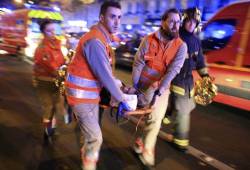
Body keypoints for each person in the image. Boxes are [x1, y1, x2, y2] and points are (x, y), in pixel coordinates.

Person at [64, 1, 132, 170]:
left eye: (119, 17)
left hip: (89, 95)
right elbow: (104, 75)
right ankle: (88, 165)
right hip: (82, 97)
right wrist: (121, 98)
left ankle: (87, 157)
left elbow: (105, 74)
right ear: (102, 18)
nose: (117, 21)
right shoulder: (95, 41)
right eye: (112, 17)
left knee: (90, 135)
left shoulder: (101, 39)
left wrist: (121, 86)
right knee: (95, 137)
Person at [132, 8, 187, 167]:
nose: (176, 25)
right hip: (142, 87)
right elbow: (138, 63)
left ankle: (147, 151)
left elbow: (172, 71)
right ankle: (140, 142)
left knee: (155, 120)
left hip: (161, 88)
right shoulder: (148, 40)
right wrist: (135, 87)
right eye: (172, 21)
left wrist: (159, 91)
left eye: (178, 22)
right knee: (149, 118)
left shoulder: (181, 47)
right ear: (163, 22)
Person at [166, 7, 209, 151]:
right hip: (176, 79)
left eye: (194, 22)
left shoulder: (196, 41)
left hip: (188, 81)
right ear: (184, 21)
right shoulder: (176, 37)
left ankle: (168, 113)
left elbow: (200, 61)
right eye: (189, 21)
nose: (191, 24)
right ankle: (180, 141)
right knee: (184, 111)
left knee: (183, 108)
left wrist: (206, 76)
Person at [33, 20, 66, 143]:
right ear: (43, 32)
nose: (53, 33)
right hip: (44, 82)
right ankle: (47, 131)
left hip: (56, 82)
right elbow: (50, 66)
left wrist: (66, 67)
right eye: (49, 31)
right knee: (48, 106)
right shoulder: (42, 48)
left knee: (56, 106)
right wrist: (62, 73)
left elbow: (62, 61)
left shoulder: (57, 46)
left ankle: (51, 126)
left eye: (54, 30)